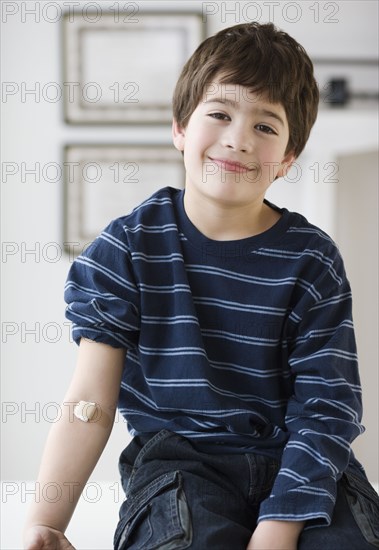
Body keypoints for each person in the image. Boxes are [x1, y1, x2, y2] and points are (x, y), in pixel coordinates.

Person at [23, 22, 379, 550]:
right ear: (180, 129)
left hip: (299, 460)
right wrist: (46, 523)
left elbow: (327, 408)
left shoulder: (312, 259)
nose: (238, 138)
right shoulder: (126, 249)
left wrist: (279, 526)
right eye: (220, 114)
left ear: (287, 158)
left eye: (266, 126)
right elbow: (88, 405)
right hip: (181, 463)